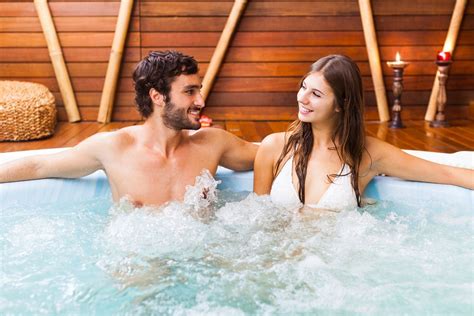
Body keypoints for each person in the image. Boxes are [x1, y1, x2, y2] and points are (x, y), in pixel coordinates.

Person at [0, 50, 258, 207]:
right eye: (190, 92)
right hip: (141, 267)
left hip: (201, 259)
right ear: (158, 97)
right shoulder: (114, 148)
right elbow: (39, 166)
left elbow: (268, 153)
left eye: (198, 90)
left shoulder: (212, 144)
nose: (200, 101)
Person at [254, 54, 473, 211]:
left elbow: (447, 174)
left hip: (329, 266)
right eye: (303, 87)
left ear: (341, 104)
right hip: (276, 262)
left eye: (316, 94)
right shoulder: (275, 147)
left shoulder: (367, 153)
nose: (302, 97)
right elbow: (254, 217)